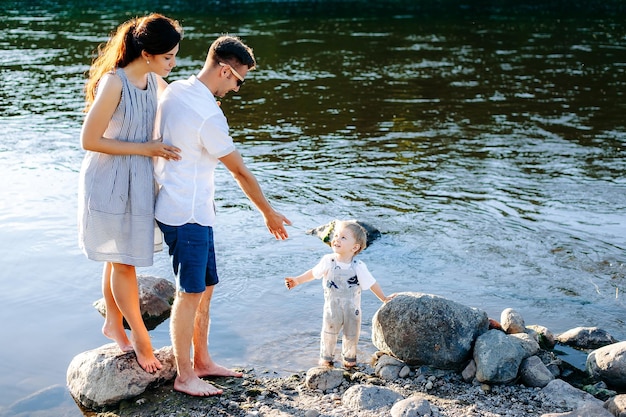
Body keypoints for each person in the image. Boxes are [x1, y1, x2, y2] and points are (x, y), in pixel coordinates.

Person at [154, 35, 291, 397]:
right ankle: (185, 376)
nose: (237, 89)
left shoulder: (178, 89)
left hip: (187, 207)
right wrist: (269, 214)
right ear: (225, 70)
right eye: (239, 81)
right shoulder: (208, 115)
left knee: (207, 286)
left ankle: (202, 361)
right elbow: (241, 172)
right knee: (190, 292)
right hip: (187, 213)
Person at [77, 13, 183, 374]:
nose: (173, 62)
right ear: (148, 54)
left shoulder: (154, 79)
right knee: (124, 261)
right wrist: (147, 149)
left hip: (137, 179)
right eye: (168, 56)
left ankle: (111, 324)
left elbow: (179, 105)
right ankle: (140, 337)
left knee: (117, 256)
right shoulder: (115, 83)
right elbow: (89, 141)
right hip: (108, 180)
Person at [285, 220, 395, 368]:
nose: (336, 239)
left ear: (355, 247)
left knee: (351, 336)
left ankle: (349, 360)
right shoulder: (328, 261)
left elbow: (371, 283)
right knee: (328, 334)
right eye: (336, 235)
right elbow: (314, 273)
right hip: (332, 308)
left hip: (352, 310)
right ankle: (326, 359)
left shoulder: (358, 266)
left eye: (343, 237)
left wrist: (383, 298)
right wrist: (297, 280)